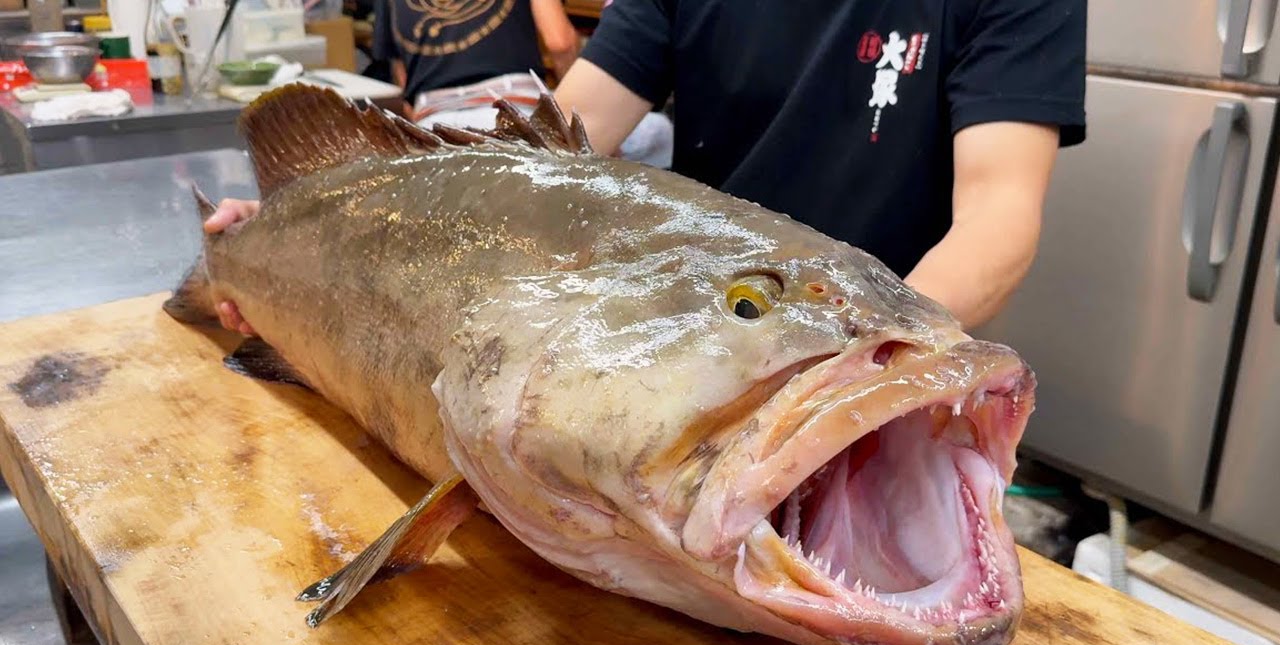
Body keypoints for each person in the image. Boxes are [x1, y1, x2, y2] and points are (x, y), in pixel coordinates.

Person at [207, 0, 1085, 334]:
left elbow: (998, 215)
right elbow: (550, 148)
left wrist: (871, 353)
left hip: (881, 344)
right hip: (696, 341)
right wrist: (314, 226)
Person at [372, 0, 579, 122]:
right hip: (514, 111)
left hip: (432, 121)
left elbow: (402, 76)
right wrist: (576, 114)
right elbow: (560, 43)